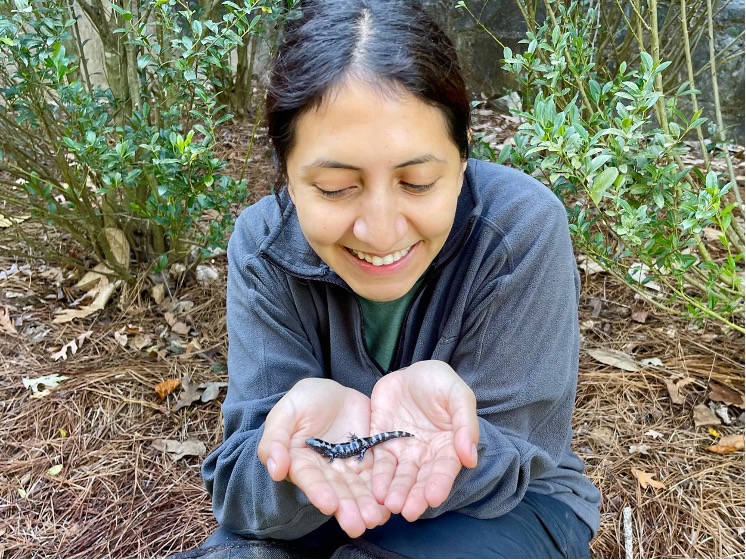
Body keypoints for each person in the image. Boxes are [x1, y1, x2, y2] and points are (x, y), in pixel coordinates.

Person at [183, 1, 602, 558]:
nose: (380, 232)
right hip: (315, 505)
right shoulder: (264, 247)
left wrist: (446, 446)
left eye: (420, 181)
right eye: (335, 188)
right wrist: (285, 457)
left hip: (508, 507)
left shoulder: (521, 228)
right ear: (286, 173)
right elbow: (241, 497)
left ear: (461, 159)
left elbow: (520, 459)